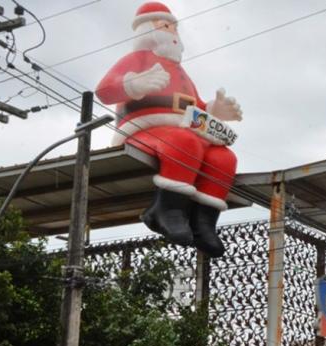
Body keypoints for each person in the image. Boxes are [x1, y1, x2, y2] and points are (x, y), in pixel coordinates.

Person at [96, 1, 243, 257]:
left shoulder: (181, 71)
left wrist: (214, 109)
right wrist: (134, 83)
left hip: (184, 129)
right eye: (166, 26)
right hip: (144, 130)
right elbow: (104, 90)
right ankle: (166, 211)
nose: (173, 32)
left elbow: (192, 105)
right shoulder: (136, 59)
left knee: (224, 157)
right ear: (148, 30)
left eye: (174, 27)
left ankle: (203, 224)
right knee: (184, 142)